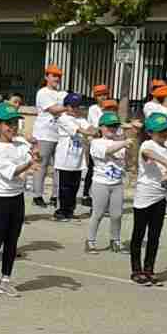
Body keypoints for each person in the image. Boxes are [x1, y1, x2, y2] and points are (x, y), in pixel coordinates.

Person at [0, 103, 38, 300]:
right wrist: (29, 164)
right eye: (8, 124)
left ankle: (5, 281)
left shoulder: (20, 143)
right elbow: (11, 173)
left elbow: (36, 155)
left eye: (14, 123)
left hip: (17, 198)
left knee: (13, 241)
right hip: (1, 199)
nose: (13, 127)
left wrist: (36, 153)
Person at [130, 113, 167, 286]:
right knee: (139, 233)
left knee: (155, 236)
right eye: (159, 131)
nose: (164, 133)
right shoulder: (147, 144)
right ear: (150, 132)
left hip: (160, 196)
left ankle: (149, 269)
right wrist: (165, 162)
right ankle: (136, 270)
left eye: (166, 130)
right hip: (144, 195)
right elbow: (148, 154)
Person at [84, 111, 129, 254]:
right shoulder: (96, 142)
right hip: (101, 183)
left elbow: (124, 161)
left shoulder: (120, 142)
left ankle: (115, 240)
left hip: (116, 183)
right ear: (101, 128)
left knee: (117, 214)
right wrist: (124, 143)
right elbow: (108, 151)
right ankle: (90, 241)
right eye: (108, 126)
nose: (112, 129)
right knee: (98, 214)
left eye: (115, 126)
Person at [51, 92, 96, 221]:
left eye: (78, 106)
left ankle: (70, 210)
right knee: (64, 187)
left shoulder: (81, 119)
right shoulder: (63, 118)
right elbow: (79, 130)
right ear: (67, 106)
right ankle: (61, 212)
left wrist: (96, 130)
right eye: (73, 106)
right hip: (65, 159)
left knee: (74, 186)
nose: (76, 109)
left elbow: (90, 127)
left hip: (78, 160)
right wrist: (89, 133)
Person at [30, 65, 66, 207]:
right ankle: (37, 196)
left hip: (60, 134)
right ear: (46, 77)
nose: (56, 78)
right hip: (44, 134)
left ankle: (55, 196)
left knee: (59, 166)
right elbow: (53, 110)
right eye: (53, 75)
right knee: (41, 165)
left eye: (58, 76)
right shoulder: (43, 92)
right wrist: (68, 107)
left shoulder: (62, 94)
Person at [80, 83, 112, 207]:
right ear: (95, 97)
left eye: (105, 95)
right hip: (96, 142)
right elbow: (94, 126)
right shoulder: (94, 109)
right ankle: (86, 194)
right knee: (92, 168)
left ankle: (101, 196)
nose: (103, 97)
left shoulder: (110, 108)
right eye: (100, 95)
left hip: (108, 142)